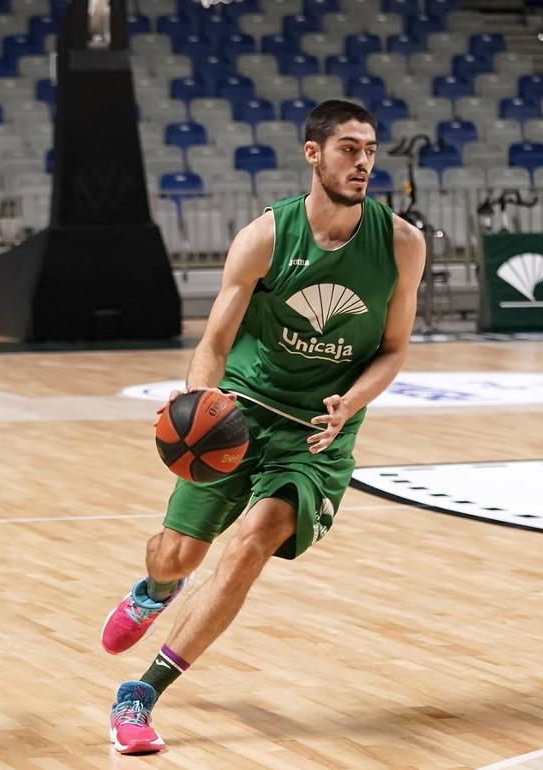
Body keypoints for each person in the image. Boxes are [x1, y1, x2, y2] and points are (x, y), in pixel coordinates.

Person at [100, 100, 425, 754]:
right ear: (314, 154)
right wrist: (199, 401)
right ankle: (156, 589)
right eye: (348, 150)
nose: (363, 163)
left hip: (316, 436)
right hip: (240, 415)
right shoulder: (266, 238)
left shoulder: (400, 244)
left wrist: (351, 401)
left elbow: (393, 349)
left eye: (369, 150)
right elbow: (215, 340)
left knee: (255, 538)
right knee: (180, 553)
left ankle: (143, 691)